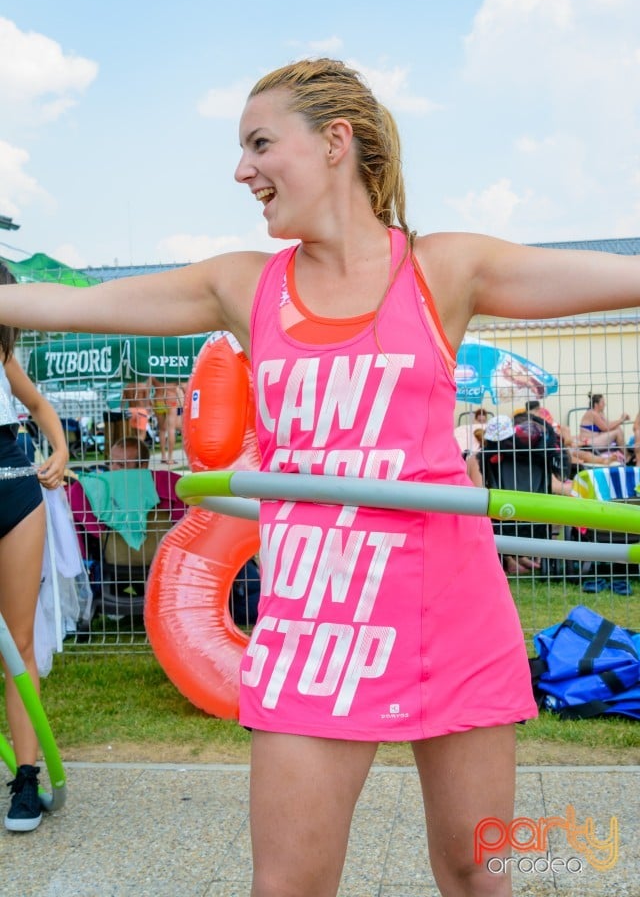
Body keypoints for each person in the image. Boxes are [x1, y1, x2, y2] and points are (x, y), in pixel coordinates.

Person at [2, 57, 640, 893]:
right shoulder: (243, 286)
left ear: (336, 141)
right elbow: (52, 305)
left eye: (261, 143)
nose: (242, 170)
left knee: (479, 871)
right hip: (315, 629)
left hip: (449, 616)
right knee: (288, 885)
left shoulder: (443, 269)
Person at [0, 262, 69, 832]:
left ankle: (26, 779)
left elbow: (42, 407)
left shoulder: (3, 360)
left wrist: (62, 451)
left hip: (16, 493)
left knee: (17, 642)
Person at [67, 435, 186, 562]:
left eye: (121, 464)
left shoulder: (87, 489)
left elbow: (95, 533)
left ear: (143, 466)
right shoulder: (172, 484)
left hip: (115, 560)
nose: (113, 468)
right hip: (166, 559)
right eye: (111, 462)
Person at [147, 378, 183, 464]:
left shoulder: (154, 372)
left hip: (158, 400)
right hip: (171, 400)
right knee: (171, 429)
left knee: (162, 429)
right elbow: (182, 386)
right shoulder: (172, 371)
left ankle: (163, 456)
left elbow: (147, 388)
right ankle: (170, 458)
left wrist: (150, 401)